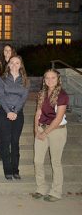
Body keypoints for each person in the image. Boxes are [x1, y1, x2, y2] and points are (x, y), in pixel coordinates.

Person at [33, 69, 69, 202]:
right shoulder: (42, 93)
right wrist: (36, 130)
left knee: (55, 162)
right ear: (44, 80)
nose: (50, 80)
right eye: (47, 78)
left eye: (53, 78)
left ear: (58, 79)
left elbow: (58, 118)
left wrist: (45, 133)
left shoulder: (62, 95)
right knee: (38, 161)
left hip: (57, 131)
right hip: (42, 128)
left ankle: (56, 192)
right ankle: (41, 188)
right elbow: (38, 113)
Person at [0, 56, 29, 180]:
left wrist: (15, 111)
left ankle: (15, 170)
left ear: (21, 65)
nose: (15, 65)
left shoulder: (25, 80)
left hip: (18, 113)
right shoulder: (3, 79)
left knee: (15, 142)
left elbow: (24, 98)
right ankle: (8, 170)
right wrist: (8, 111)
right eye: (12, 63)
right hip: (4, 113)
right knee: (6, 142)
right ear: (8, 64)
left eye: (17, 63)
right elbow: (1, 96)